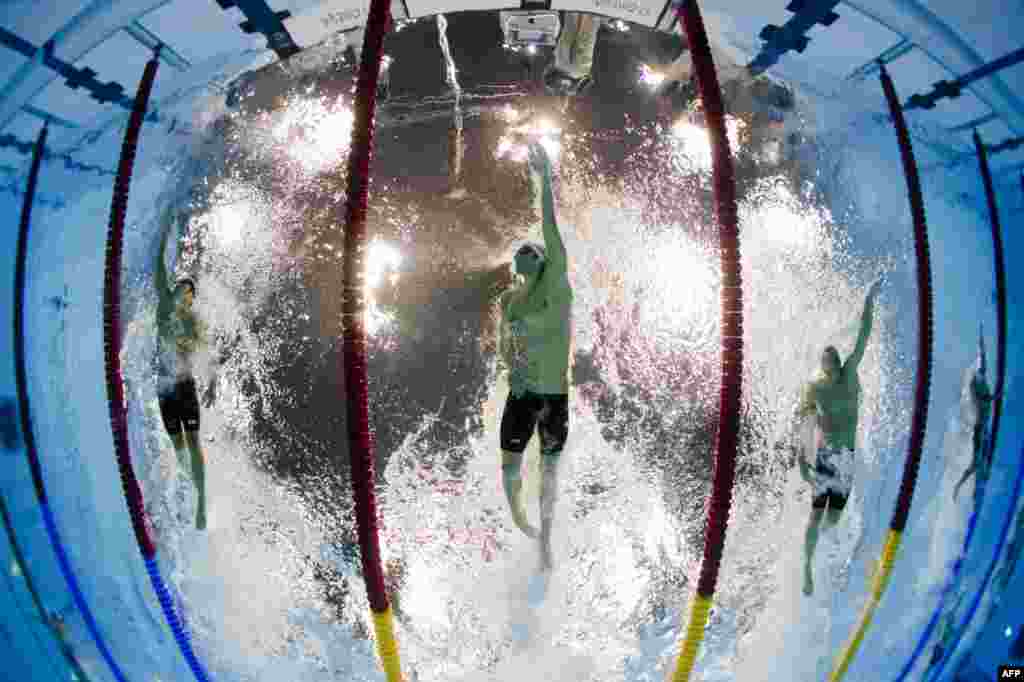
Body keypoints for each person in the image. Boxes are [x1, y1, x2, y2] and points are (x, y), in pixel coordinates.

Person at [497, 142, 573, 571]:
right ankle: (519, 519)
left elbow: (549, 226)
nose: (529, 249)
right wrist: (512, 369)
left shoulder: (556, 286)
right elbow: (507, 345)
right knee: (509, 467)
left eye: (535, 250)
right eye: (522, 249)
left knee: (548, 473)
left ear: (545, 263)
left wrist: (545, 179)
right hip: (522, 394)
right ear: (515, 264)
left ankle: (545, 538)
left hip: (554, 398)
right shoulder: (510, 301)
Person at [795, 279, 882, 595]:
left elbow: (863, 336)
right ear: (821, 366)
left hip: (846, 457)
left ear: (837, 362)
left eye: (832, 362)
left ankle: (821, 556)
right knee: (817, 514)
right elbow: (805, 424)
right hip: (827, 456)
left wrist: (869, 301)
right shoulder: (816, 388)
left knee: (834, 517)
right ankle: (806, 569)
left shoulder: (850, 373)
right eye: (825, 363)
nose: (829, 367)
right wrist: (802, 460)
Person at [154, 215, 208, 530]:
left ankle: (201, 503)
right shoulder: (163, 307)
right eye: (180, 289)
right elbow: (158, 271)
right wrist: (162, 234)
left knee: (193, 441)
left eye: (188, 293)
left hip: (184, 386)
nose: (182, 294)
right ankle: (188, 491)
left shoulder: (192, 322)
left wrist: (187, 342)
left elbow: (200, 347)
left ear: (191, 300)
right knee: (178, 446)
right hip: (164, 389)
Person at [952, 329, 996, 505]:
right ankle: (980, 340)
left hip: (981, 422)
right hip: (981, 421)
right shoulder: (979, 460)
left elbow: (969, 471)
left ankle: (980, 339)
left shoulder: (977, 461)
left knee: (980, 375)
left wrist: (958, 487)